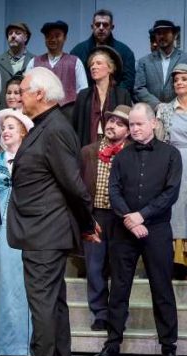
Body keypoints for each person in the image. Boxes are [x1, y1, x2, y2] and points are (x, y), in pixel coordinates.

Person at [2, 67, 99, 356]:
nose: (18, 95)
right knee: (53, 304)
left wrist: (87, 224)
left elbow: (74, 184)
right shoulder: (46, 126)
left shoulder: (55, 128)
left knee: (42, 305)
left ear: (40, 94)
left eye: (24, 90)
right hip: (41, 229)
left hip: (46, 229)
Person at [94, 103, 182, 356]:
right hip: (124, 230)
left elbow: (171, 193)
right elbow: (114, 191)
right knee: (119, 287)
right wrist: (131, 221)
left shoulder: (171, 154)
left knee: (162, 287)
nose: (134, 128)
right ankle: (112, 343)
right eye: (131, 124)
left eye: (139, 124)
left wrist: (142, 216)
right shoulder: (121, 156)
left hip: (157, 229)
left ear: (153, 123)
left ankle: (168, 346)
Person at [80, 105, 132, 331]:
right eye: (111, 121)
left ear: (128, 131)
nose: (112, 125)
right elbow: (79, 184)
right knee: (94, 266)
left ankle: (117, 313)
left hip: (120, 218)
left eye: (120, 123)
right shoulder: (89, 152)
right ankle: (99, 312)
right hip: (96, 215)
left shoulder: (131, 153)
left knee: (120, 268)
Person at [0, 109, 34, 356]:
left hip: (25, 226)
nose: (6, 131)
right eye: (4, 128)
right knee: (1, 282)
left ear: (23, 133)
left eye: (11, 128)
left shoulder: (31, 160)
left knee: (22, 284)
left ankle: (23, 342)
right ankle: (1, 342)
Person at [155, 64, 187, 277]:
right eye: (176, 80)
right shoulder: (164, 109)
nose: (179, 83)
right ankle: (175, 261)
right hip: (173, 161)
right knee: (175, 208)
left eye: (184, 79)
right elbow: (159, 140)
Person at [26, 20, 88, 120]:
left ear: (65, 38)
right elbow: (27, 90)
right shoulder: (34, 63)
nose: (53, 39)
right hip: (39, 116)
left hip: (69, 116)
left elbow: (83, 92)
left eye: (57, 35)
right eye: (48, 36)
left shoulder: (75, 62)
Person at [73, 45, 132, 147]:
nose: (93, 67)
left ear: (110, 68)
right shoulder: (83, 95)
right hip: (88, 146)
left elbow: (128, 124)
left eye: (98, 63)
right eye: (91, 64)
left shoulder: (122, 94)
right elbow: (76, 126)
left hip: (116, 147)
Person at [134, 20, 187, 111]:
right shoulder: (144, 61)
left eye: (166, 32)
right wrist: (157, 105)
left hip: (181, 111)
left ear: (174, 34)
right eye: (159, 33)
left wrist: (175, 105)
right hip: (153, 113)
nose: (162, 36)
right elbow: (139, 88)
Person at [70, 9, 136, 92]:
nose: (101, 28)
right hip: (85, 99)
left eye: (105, 25)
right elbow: (72, 81)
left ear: (112, 27)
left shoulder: (125, 52)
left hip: (117, 100)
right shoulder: (77, 51)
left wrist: (115, 97)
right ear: (92, 27)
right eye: (97, 24)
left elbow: (128, 81)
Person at [0, 22, 34, 109]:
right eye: (10, 33)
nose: (13, 36)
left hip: (27, 111)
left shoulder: (34, 61)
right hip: (1, 109)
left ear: (26, 37)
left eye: (17, 33)